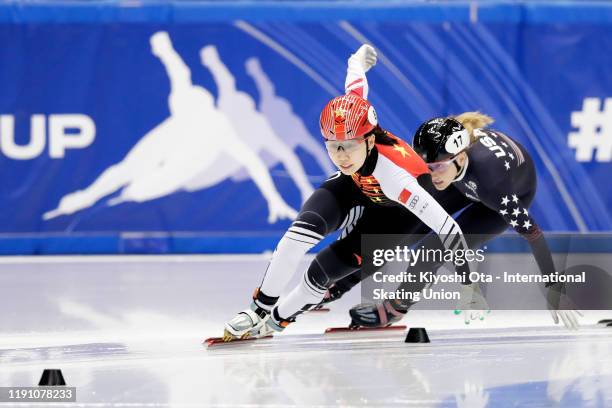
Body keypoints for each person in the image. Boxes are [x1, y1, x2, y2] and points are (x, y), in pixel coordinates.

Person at [222, 45, 486, 341]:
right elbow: (355, 83)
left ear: (370, 141)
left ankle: (276, 321)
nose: (341, 155)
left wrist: (468, 282)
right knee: (297, 236)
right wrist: (357, 59)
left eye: (349, 145)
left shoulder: (398, 177)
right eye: (333, 146)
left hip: (395, 216)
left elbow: (447, 227)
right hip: (356, 184)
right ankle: (257, 311)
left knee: (320, 273)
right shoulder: (353, 130)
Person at [346, 113, 582, 330]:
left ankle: (395, 308)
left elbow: (534, 234)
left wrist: (554, 287)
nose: (431, 174)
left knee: (432, 251)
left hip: (502, 197)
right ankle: (342, 279)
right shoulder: (447, 158)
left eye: (436, 167)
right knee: (408, 226)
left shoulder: (492, 185)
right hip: (461, 180)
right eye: (425, 167)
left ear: (459, 157)